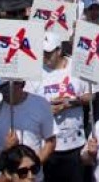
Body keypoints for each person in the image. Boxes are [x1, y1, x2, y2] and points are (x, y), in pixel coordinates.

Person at [25, 33, 90, 182]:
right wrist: (46, 110)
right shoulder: (35, 72)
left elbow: (90, 96)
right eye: (41, 53)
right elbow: (28, 103)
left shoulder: (77, 66)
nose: (44, 57)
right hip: (49, 145)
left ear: (59, 50)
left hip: (76, 144)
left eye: (48, 53)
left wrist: (72, 102)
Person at [0, 80, 57, 178]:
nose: (1, 92)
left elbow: (50, 142)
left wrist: (29, 169)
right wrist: (7, 150)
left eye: (4, 87)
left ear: (19, 84)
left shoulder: (41, 104)